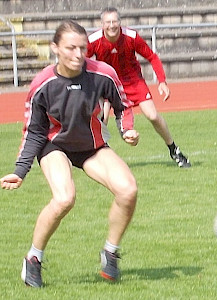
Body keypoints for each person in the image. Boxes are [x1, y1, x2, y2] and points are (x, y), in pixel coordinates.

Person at [0, 20, 139, 288]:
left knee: (128, 190)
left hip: (91, 146)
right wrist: (20, 171)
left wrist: (127, 130)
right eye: (70, 48)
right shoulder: (43, 84)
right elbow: (34, 132)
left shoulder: (102, 73)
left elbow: (122, 106)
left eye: (83, 48)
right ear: (55, 48)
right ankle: (33, 259)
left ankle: (110, 252)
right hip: (55, 145)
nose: (78, 55)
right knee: (64, 199)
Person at [87, 7, 191, 168]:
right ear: (102, 24)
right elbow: (82, 62)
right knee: (103, 119)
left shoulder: (131, 37)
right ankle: (97, 156)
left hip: (134, 82)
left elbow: (152, 57)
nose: (112, 25)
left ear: (120, 22)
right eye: (108, 22)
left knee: (153, 116)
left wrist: (162, 81)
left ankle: (174, 149)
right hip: (109, 84)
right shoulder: (93, 40)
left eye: (115, 21)